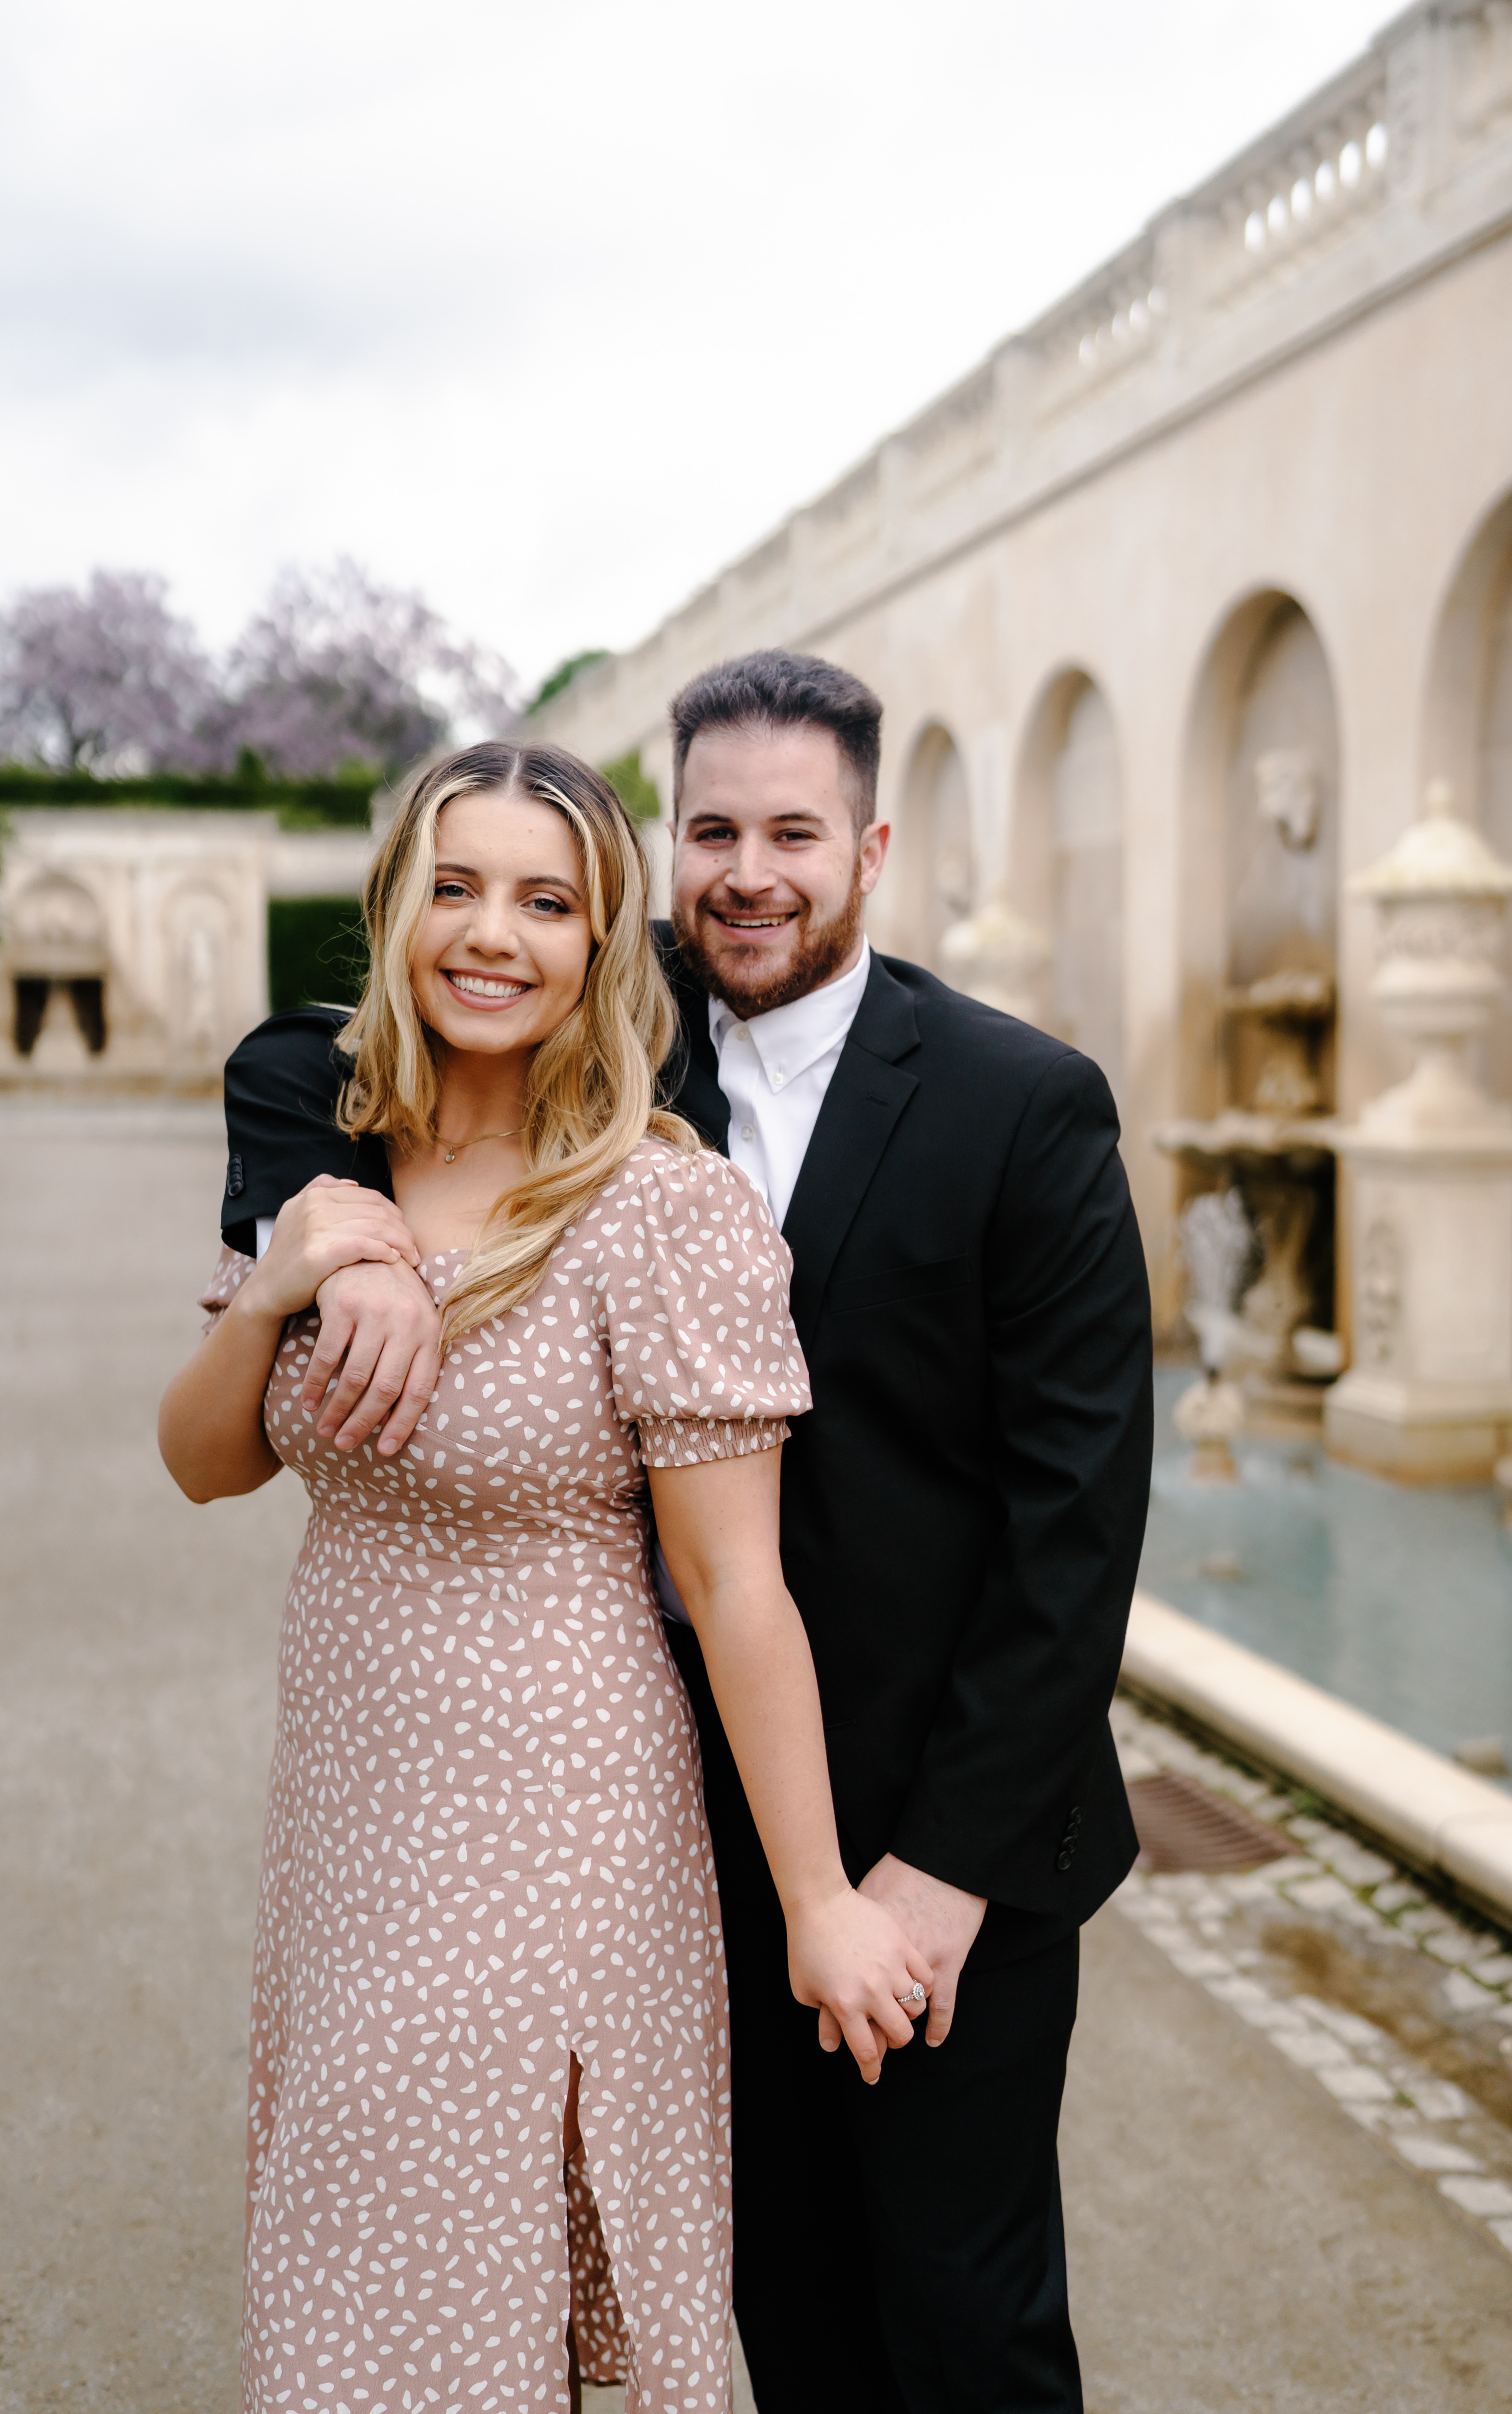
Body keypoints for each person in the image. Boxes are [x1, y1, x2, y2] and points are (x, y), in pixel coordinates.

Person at [219, 654, 1155, 2414]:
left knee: (962, 2326)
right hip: (649, 1823)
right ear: (666, 850)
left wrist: (928, 1879)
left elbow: (1075, 1529)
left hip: (924, 1820)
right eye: (713, 830)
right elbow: (304, 1054)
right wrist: (327, 1229)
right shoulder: (588, 1018)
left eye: (794, 833)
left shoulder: (1022, 1104)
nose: (750, 872)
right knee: (754, 2310)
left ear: (870, 846)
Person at [159, 738, 933, 2414]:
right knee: (348, 2240)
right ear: (395, 913)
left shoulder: (662, 1209)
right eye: (454, 886)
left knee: (473, 2254)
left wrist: (814, 1902)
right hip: (353, 1805)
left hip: (559, 1810)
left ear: (600, 944)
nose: (490, 933)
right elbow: (208, 1462)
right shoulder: (333, 1172)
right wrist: (280, 1274)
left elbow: (739, 1591)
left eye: (543, 899)